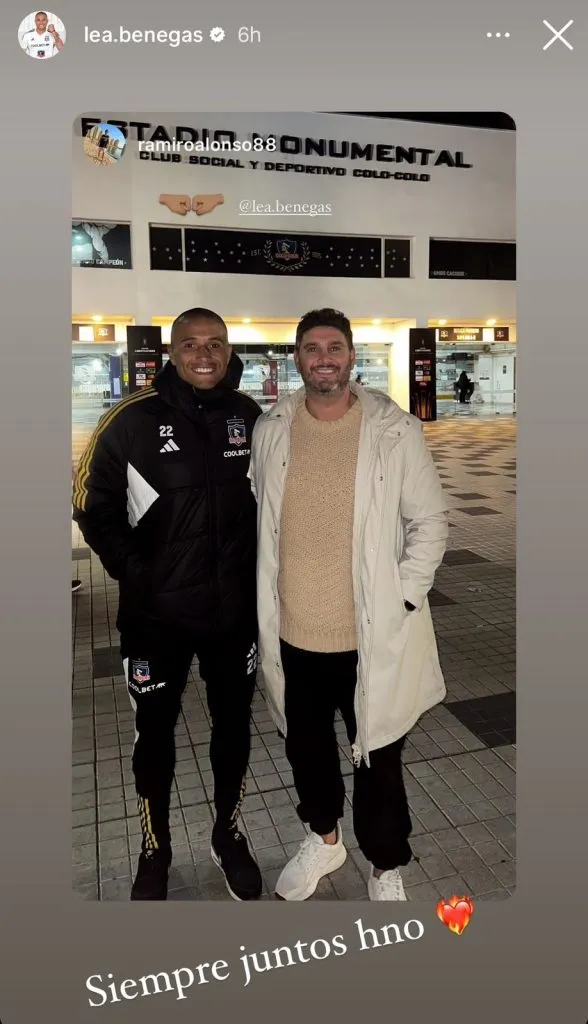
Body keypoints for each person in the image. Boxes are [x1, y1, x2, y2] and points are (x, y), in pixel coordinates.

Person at [248, 308, 449, 901]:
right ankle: (325, 838)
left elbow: (430, 522)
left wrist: (403, 600)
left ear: (351, 355)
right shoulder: (273, 427)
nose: (324, 357)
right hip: (294, 632)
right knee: (307, 753)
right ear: (297, 359)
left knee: (379, 759)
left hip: (370, 635)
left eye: (334, 345)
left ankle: (386, 865)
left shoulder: (394, 429)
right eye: (311, 347)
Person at [73, 308, 263, 902]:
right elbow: (88, 501)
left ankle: (228, 834)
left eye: (215, 343)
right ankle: (154, 846)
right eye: (191, 344)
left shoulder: (249, 417)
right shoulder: (129, 421)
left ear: (229, 351)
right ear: (172, 352)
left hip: (234, 616)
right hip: (156, 622)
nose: (203, 354)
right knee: (154, 737)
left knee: (233, 730)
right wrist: (138, 572)